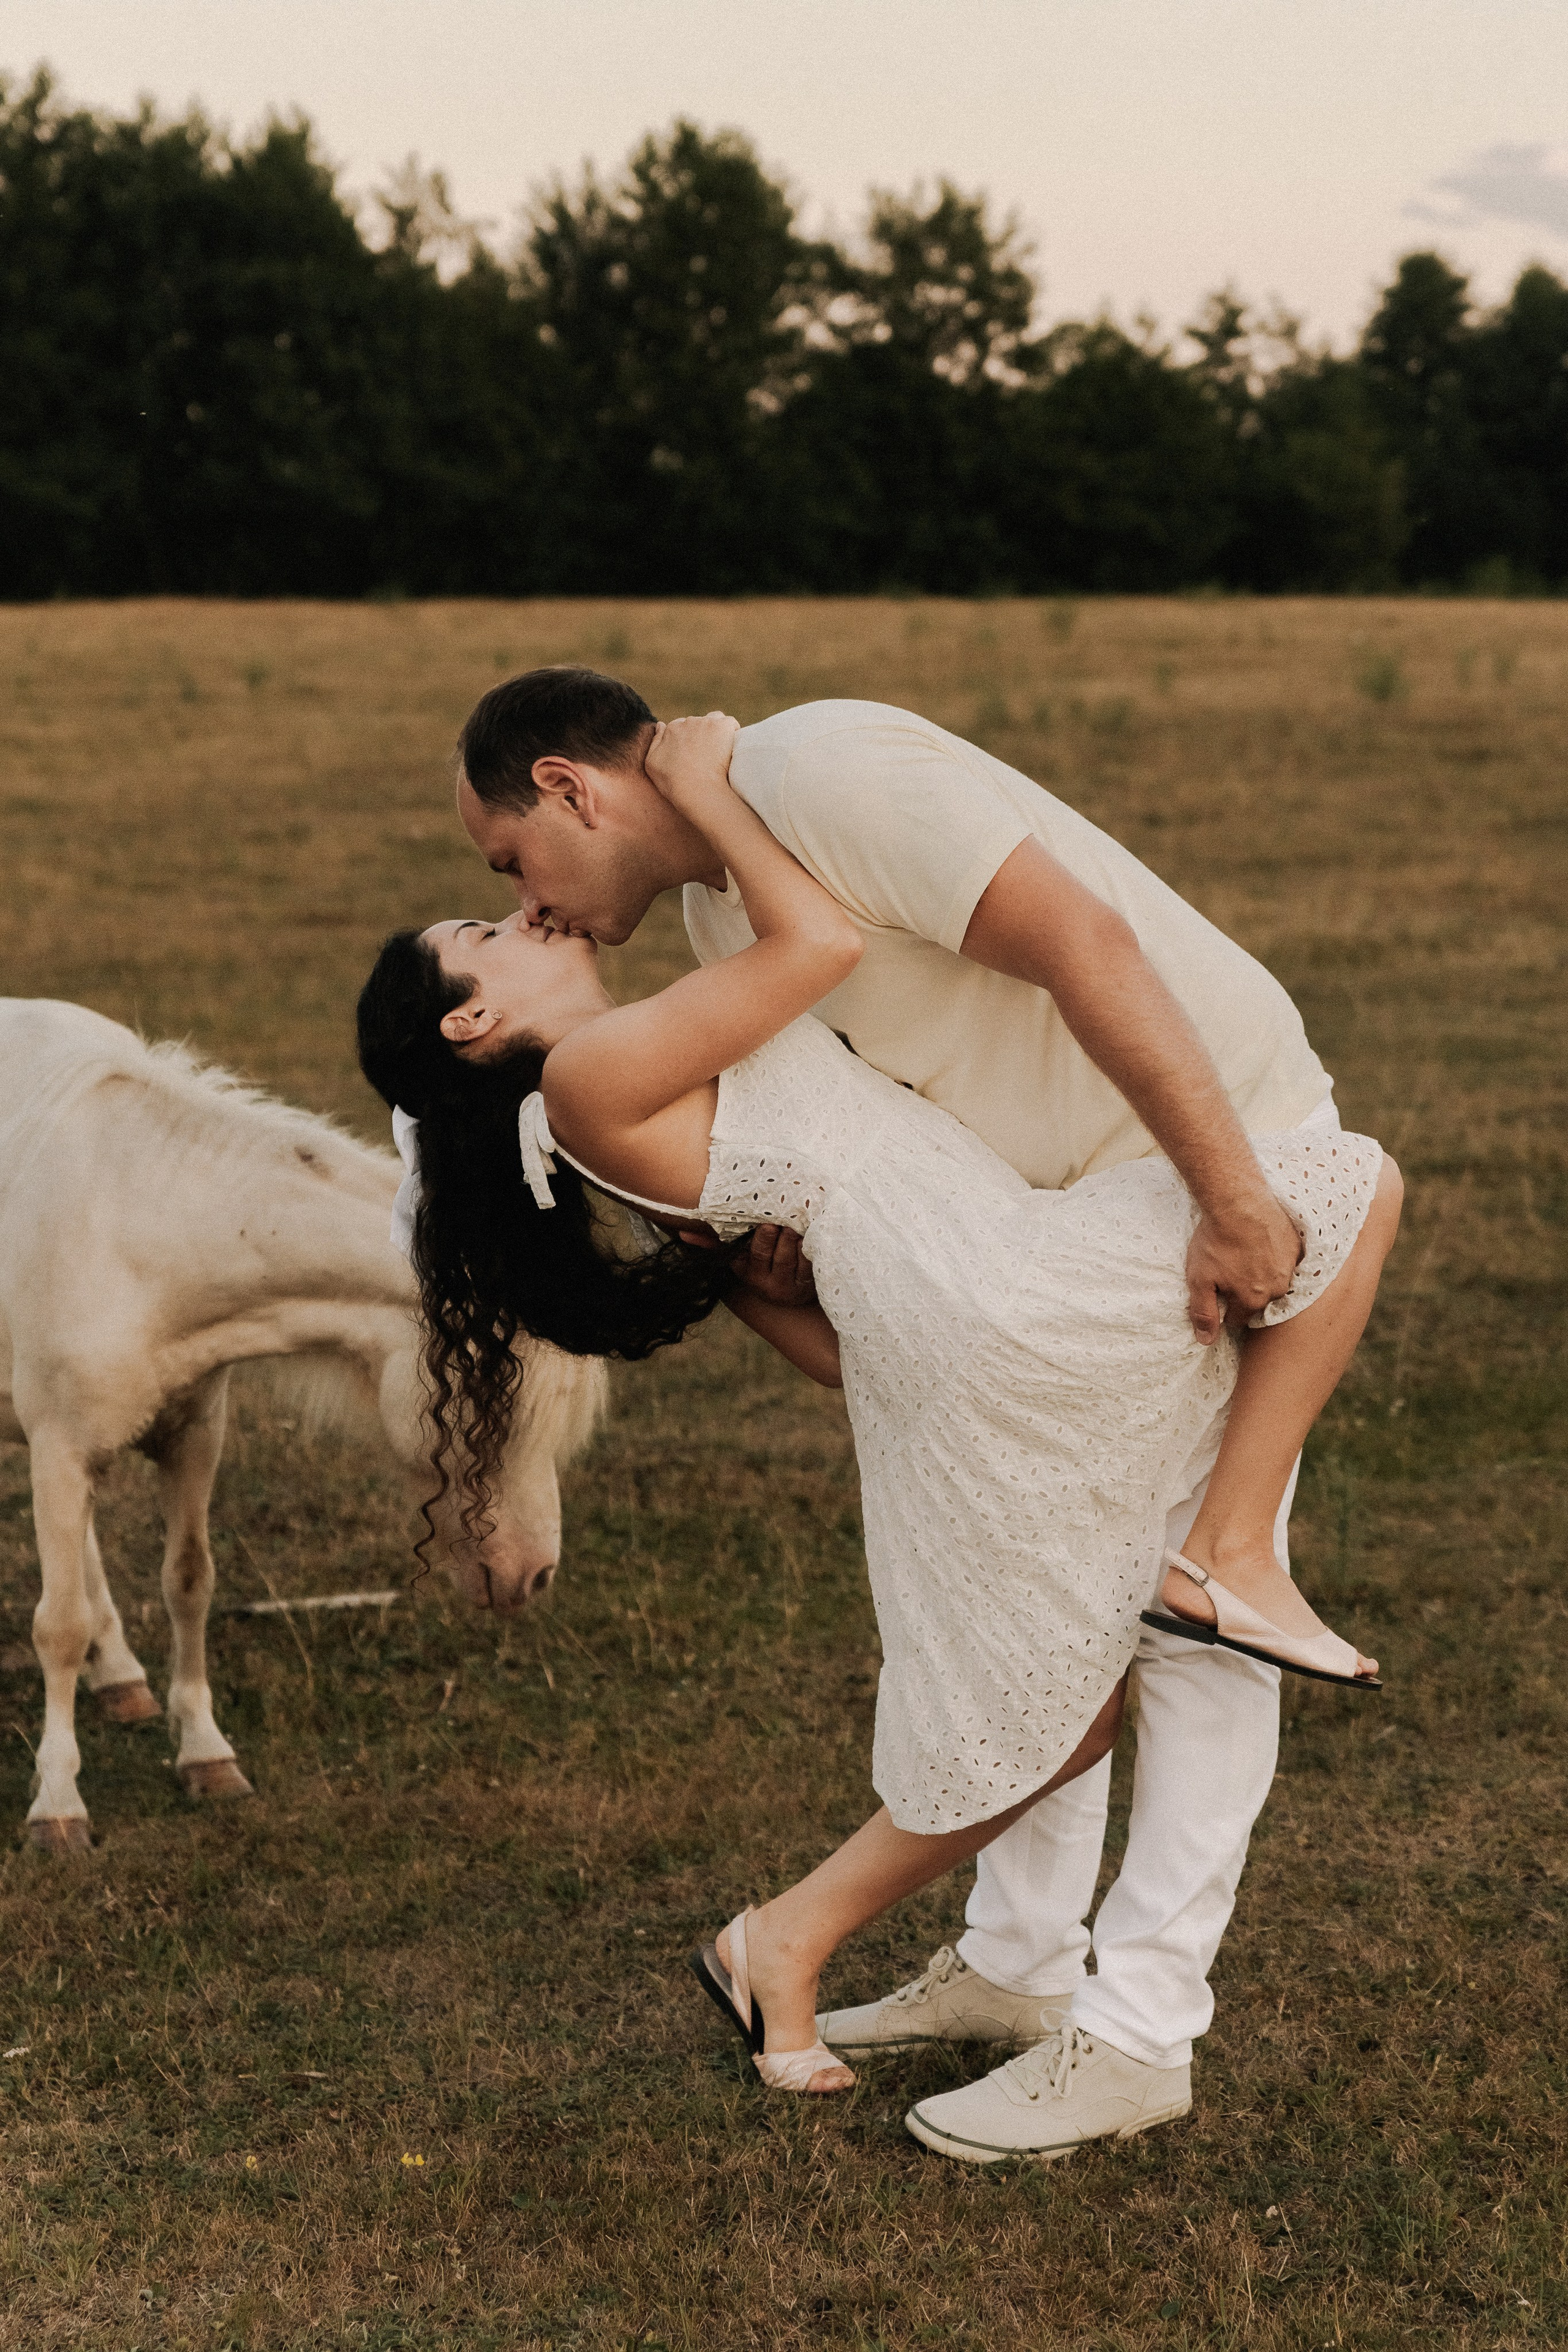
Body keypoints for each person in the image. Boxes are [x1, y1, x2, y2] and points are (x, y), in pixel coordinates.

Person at [357, 709, 1401, 2138]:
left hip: (966, 1281)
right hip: (990, 1285)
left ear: (561, 785)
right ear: (473, 1022)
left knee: (1066, 1688)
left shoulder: (643, 1039)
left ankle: (964, 1960)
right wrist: (714, 795)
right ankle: (892, 1939)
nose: (520, 900)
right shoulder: (595, 1077)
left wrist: (854, 1324)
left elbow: (787, 1251)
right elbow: (823, 956)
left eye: (500, 870)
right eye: (489, 919)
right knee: (1345, 1190)